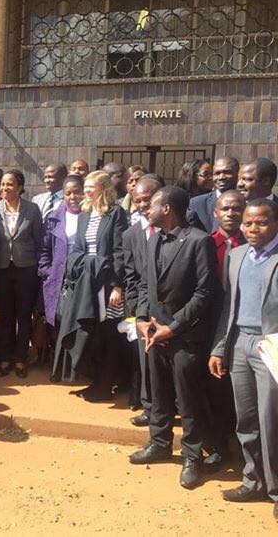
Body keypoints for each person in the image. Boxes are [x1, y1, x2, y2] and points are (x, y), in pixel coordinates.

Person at [129, 186, 215, 491]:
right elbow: (144, 283)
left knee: (188, 398)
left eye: (152, 204)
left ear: (167, 208)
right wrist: (141, 319)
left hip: (184, 336)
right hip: (154, 333)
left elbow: (205, 293)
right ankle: (159, 443)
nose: (146, 208)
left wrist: (174, 327)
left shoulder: (198, 241)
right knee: (159, 394)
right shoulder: (153, 239)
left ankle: (193, 457)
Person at [210, 199, 278, 522]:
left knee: (271, 422)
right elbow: (228, 305)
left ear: (275, 223)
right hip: (239, 344)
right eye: (248, 224)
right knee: (246, 419)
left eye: (261, 223)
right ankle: (253, 480)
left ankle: (276, 490)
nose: (252, 229)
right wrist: (219, 347)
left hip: (271, 347)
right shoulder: (236, 256)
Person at [64, 170, 129, 400]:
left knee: (109, 334)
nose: (87, 190)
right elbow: (78, 250)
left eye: (92, 186)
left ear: (104, 188)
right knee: (92, 333)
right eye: (86, 186)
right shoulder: (84, 214)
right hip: (86, 284)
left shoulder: (115, 214)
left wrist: (117, 286)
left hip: (107, 284)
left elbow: (120, 252)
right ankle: (95, 382)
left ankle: (105, 386)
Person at [204, 190, 247, 467]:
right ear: (215, 213)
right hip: (211, 328)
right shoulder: (204, 244)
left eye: (236, 208)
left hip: (245, 328)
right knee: (214, 390)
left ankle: (248, 453)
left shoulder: (256, 245)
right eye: (225, 208)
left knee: (244, 394)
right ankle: (218, 446)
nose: (231, 213)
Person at [0, 169, 42, 378]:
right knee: (4, 316)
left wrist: (38, 269)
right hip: (1, 269)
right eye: (3, 184)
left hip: (26, 269)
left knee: (23, 315)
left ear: (20, 188)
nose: (4, 188)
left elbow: (39, 241)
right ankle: (5, 358)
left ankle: (20, 358)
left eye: (9, 184)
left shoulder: (32, 209)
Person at [122, 177, 163, 427]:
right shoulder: (130, 234)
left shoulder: (179, 229)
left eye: (147, 199)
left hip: (172, 313)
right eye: (137, 200)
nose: (142, 205)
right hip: (143, 311)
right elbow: (131, 276)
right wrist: (139, 314)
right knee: (145, 360)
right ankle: (149, 407)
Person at [38, 176, 84, 331]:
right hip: (58, 278)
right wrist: (48, 271)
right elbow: (44, 249)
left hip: (82, 278)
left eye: (76, 192)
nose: (72, 197)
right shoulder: (53, 218)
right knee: (58, 322)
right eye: (68, 193)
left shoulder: (92, 217)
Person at [188, 156, 239, 233]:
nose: (221, 177)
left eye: (227, 172)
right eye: (217, 173)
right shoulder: (197, 203)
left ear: (238, 173)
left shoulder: (248, 202)